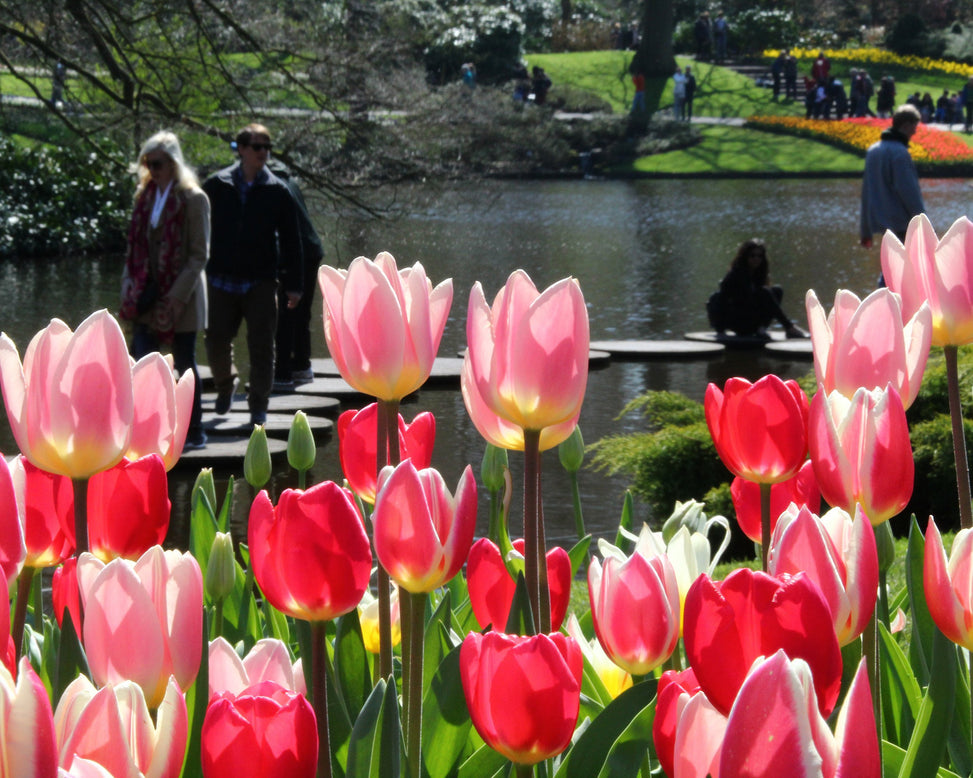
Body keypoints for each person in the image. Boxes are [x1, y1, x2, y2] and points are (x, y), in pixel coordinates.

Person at [203, 123, 303, 426]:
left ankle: (258, 404)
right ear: (242, 149)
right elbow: (196, 227)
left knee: (262, 346)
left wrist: (294, 286)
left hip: (261, 280)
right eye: (257, 147)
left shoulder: (277, 190)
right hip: (221, 277)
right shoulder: (217, 185)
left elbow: (291, 239)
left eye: (267, 147)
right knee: (215, 340)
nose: (264, 153)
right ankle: (225, 385)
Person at [119, 131, 210, 450]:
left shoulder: (194, 198)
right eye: (147, 163)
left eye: (157, 163)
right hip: (146, 294)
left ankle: (194, 430)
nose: (152, 169)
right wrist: (129, 287)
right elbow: (133, 249)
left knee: (185, 363)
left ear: (173, 164)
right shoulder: (144, 198)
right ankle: (146, 429)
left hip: (181, 297)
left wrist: (175, 297)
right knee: (142, 360)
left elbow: (199, 255)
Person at [273, 169, 324, 391]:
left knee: (286, 311)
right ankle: (301, 366)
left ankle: (283, 373)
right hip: (310, 249)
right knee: (300, 312)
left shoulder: (274, 188)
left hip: (298, 252)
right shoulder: (288, 181)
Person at [705, 239, 808, 339]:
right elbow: (725, 302)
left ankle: (762, 328)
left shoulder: (757, 274)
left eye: (759, 256)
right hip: (739, 322)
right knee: (765, 292)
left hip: (751, 317)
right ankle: (789, 327)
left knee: (777, 290)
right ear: (745, 257)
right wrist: (720, 328)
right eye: (752, 256)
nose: (756, 259)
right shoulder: (736, 275)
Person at [860, 104, 925, 255]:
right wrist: (924, 224)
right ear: (906, 125)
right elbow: (909, 192)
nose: (915, 131)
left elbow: (866, 192)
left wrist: (865, 230)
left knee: (892, 267)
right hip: (902, 223)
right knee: (906, 270)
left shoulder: (873, 151)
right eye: (915, 126)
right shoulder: (900, 153)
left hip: (882, 223)